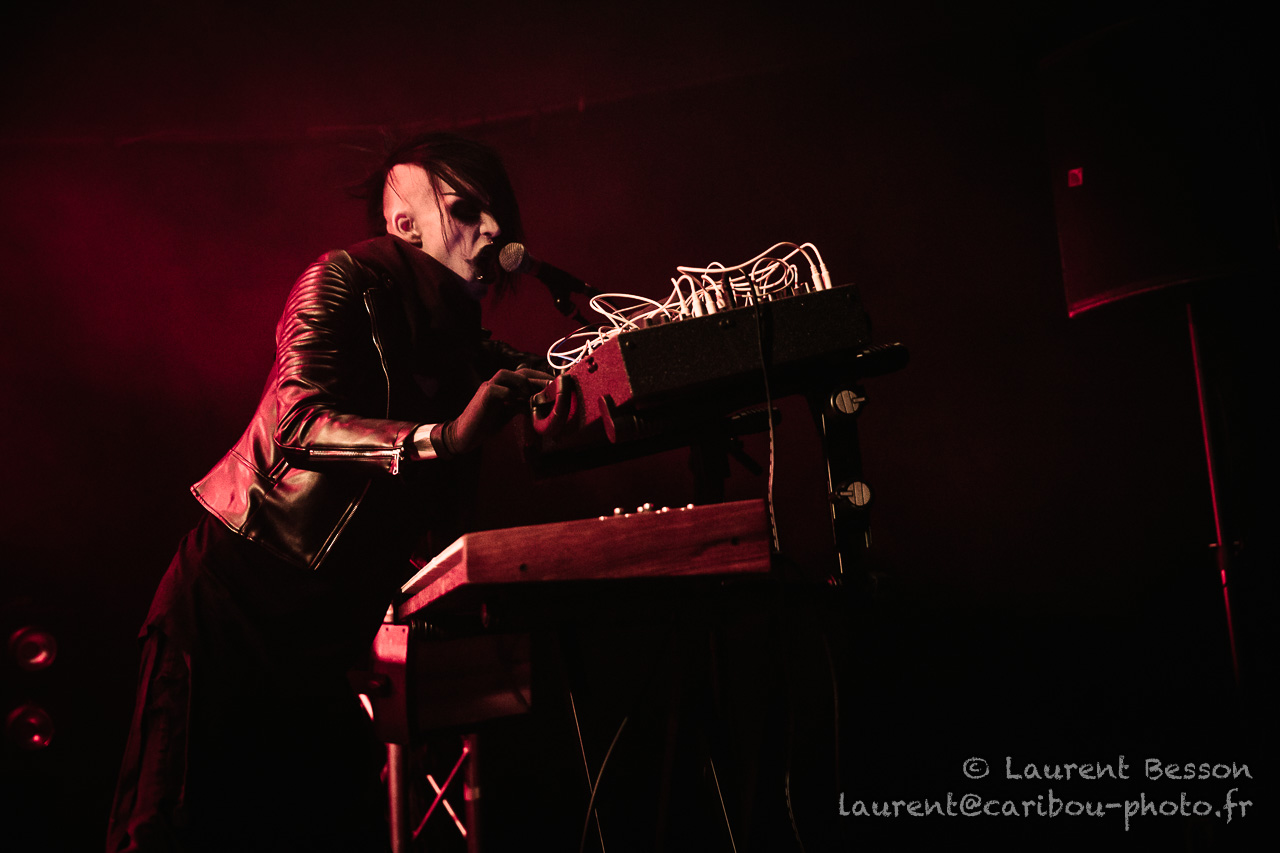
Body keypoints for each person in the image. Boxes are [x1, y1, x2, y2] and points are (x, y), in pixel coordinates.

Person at [107, 132, 570, 852]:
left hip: (324, 646)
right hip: (232, 611)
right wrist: (442, 438)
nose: (493, 229)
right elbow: (296, 422)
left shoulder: (465, 347)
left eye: (498, 214)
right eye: (464, 209)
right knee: (174, 830)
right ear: (404, 221)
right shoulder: (342, 278)